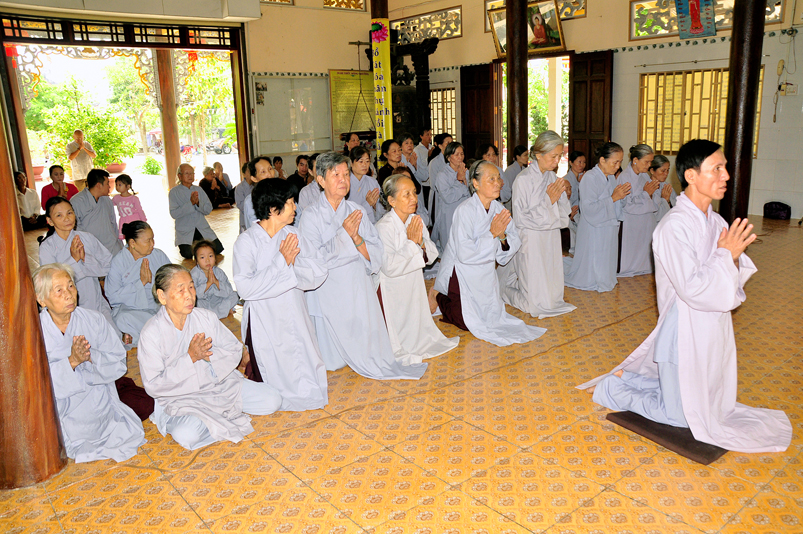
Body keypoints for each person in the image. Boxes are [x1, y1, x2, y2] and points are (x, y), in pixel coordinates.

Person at [580, 139, 792, 453]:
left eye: (725, 168)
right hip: (682, 329)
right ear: (691, 176)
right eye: (716, 169)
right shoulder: (673, 227)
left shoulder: (715, 221)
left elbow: (733, 276)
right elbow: (692, 288)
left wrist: (732, 257)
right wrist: (726, 255)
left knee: (711, 401)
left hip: (712, 324)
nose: (726, 176)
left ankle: (634, 379)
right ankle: (612, 388)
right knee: (681, 416)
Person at [298, 152, 427, 380]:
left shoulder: (356, 210)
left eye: (346, 174)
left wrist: (356, 239)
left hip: (356, 283)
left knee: (368, 348)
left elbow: (376, 252)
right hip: (328, 288)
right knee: (333, 362)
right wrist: (344, 235)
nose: (343, 180)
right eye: (336, 175)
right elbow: (312, 260)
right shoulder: (310, 216)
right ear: (321, 180)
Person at [138, 264, 282, 450]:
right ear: (162, 296)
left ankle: (216, 419)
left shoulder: (206, 317)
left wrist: (208, 358)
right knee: (187, 435)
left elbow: (233, 349)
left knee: (272, 400)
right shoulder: (151, 333)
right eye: (181, 290)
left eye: (191, 287)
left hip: (219, 386)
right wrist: (190, 358)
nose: (189, 295)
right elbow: (153, 384)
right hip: (182, 397)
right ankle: (220, 418)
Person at [33, 263, 146, 463]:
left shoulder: (94, 320)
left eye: (71, 286)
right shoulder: (34, 333)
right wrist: (71, 361)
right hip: (63, 409)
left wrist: (90, 356)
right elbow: (34, 382)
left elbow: (119, 362)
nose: (69, 294)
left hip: (99, 402)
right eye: (59, 290)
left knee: (142, 406)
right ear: (42, 300)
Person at [233, 179, 329, 410]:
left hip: (293, 308)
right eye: (290, 202)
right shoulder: (247, 241)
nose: (295, 207)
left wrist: (291, 267)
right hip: (264, 316)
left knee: (301, 355)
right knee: (273, 364)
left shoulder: (293, 233)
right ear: (273, 209)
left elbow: (319, 269)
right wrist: (281, 262)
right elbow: (245, 288)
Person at [431, 160, 546, 346]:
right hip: (462, 272)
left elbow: (513, 240)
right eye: (491, 179)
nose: (497, 183)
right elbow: (464, 252)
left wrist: (501, 237)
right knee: (466, 322)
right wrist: (491, 234)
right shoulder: (465, 210)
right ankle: (438, 295)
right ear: (475, 183)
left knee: (489, 319)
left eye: (498, 178)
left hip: (485, 273)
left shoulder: (499, 209)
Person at [376, 173, 459, 365]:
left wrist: (419, 243)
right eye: (406, 194)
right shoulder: (383, 227)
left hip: (413, 282)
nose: (414, 198)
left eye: (414, 192)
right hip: (392, 288)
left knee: (417, 324)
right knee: (399, 333)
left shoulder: (415, 220)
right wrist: (412, 244)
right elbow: (388, 266)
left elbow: (431, 254)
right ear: (391, 200)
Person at [499, 131, 576, 319]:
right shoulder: (523, 180)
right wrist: (548, 201)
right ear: (539, 154)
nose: (557, 161)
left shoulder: (552, 178)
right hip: (531, 239)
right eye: (553, 156)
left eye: (559, 156)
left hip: (550, 237)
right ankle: (502, 290)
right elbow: (521, 219)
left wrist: (559, 198)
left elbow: (563, 213)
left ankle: (524, 288)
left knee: (551, 297)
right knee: (533, 303)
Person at [39, 197, 124, 342]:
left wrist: (85, 259)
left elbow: (108, 265)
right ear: (50, 221)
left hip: (95, 302)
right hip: (66, 310)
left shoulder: (87, 238)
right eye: (59, 215)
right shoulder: (47, 247)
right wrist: (74, 260)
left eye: (69, 213)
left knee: (114, 341)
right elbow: (50, 281)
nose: (66, 218)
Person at [564, 142, 631, 292]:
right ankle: (591, 278)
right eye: (615, 162)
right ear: (602, 160)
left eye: (620, 162)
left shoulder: (611, 178)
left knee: (606, 254)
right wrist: (613, 198)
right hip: (593, 227)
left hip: (608, 226)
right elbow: (588, 208)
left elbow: (616, 203)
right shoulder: (589, 178)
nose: (618, 166)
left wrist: (622, 196)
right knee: (593, 258)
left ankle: (605, 277)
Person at [105, 221, 171, 346]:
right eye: (148, 241)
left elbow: (172, 280)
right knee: (121, 319)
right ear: (132, 243)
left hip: (158, 308)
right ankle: (159, 334)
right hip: (134, 312)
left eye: (152, 239)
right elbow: (113, 298)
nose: (152, 244)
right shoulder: (118, 262)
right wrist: (140, 283)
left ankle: (147, 336)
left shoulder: (158, 255)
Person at [617, 144, 659, 277]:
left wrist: (650, 194)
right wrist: (646, 194)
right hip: (631, 222)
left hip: (645, 221)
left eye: (651, 162)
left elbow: (653, 199)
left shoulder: (645, 176)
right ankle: (628, 267)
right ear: (635, 160)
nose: (649, 165)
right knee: (631, 251)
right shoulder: (624, 177)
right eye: (646, 162)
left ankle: (643, 266)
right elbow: (627, 204)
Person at [169, 163, 224, 260]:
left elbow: (208, 209)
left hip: (201, 227)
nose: (190, 176)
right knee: (188, 254)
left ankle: (200, 248)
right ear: (179, 176)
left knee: (218, 249)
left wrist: (198, 203)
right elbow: (174, 213)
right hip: (185, 230)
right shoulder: (174, 192)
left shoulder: (199, 189)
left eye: (192, 173)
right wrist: (190, 203)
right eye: (187, 173)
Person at [71, 168, 122, 255]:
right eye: (107, 183)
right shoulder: (77, 201)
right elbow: (75, 227)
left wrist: (118, 241)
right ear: (98, 185)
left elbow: (113, 223)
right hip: (91, 249)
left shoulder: (107, 200)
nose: (109, 187)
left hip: (112, 246)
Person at [432, 141, 470, 251]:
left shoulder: (466, 172)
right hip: (449, 215)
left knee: (464, 246)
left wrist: (464, 180)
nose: (460, 157)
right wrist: (459, 181)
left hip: (465, 213)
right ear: (448, 157)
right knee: (450, 248)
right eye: (456, 154)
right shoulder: (442, 175)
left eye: (462, 154)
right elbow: (448, 197)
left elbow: (470, 194)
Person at [191, 240, 239, 319]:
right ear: (197, 261)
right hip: (203, 303)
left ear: (215, 258)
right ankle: (222, 312)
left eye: (210, 256)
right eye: (202, 257)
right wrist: (208, 283)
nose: (207, 260)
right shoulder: (194, 274)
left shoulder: (219, 272)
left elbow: (228, 291)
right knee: (195, 304)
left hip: (217, 301)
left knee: (235, 295)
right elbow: (194, 294)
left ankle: (216, 313)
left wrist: (216, 282)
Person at [349, 146, 385, 224]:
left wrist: (375, 206)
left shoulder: (372, 182)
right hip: (354, 225)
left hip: (372, 224)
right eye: (361, 161)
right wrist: (368, 204)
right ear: (351, 163)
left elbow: (382, 207)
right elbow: (346, 210)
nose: (365, 165)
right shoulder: (346, 183)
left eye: (367, 161)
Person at [112, 174, 147, 240]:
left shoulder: (134, 198)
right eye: (116, 185)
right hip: (124, 221)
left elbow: (140, 210)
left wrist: (143, 221)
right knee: (127, 238)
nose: (117, 187)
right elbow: (110, 205)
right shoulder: (116, 198)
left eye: (120, 185)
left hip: (134, 220)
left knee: (135, 237)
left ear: (128, 186)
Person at [564, 151, 586, 255]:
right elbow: (566, 200)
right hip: (571, 212)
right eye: (579, 162)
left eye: (584, 162)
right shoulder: (567, 179)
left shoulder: (584, 177)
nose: (582, 165)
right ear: (571, 163)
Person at [649, 154, 676, 221]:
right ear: (652, 171)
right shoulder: (647, 188)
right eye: (663, 171)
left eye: (667, 170)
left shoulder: (666, 186)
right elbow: (654, 215)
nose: (666, 173)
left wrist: (669, 201)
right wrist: (665, 200)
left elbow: (677, 207)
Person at [414, 127, 434, 209]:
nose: (429, 137)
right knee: (425, 206)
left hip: (432, 182)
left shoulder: (432, 148)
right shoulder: (417, 150)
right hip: (424, 183)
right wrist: (428, 157)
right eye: (427, 135)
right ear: (421, 136)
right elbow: (418, 167)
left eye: (430, 135)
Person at [234, 161, 254, 233]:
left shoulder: (255, 186)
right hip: (245, 218)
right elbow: (240, 205)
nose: (251, 173)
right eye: (248, 171)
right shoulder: (240, 188)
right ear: (244, 174)